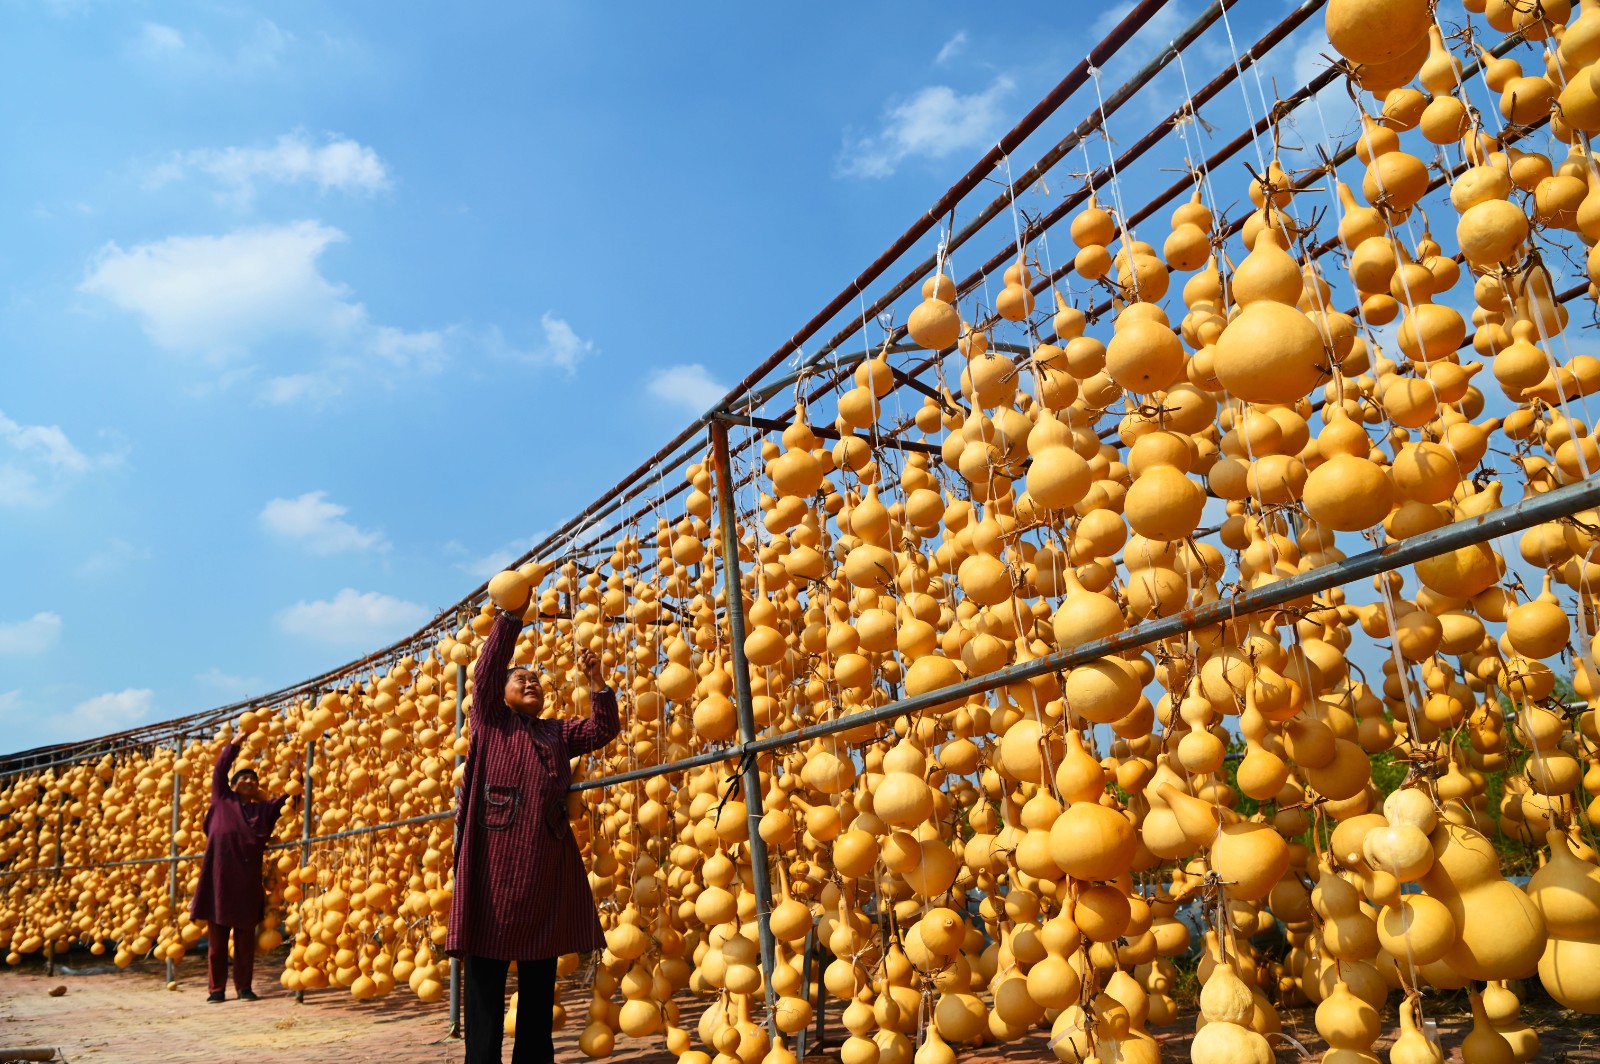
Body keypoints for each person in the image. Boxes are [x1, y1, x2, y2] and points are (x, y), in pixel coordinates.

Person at [447, 602, 619, 1064]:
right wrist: (511, 618)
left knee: (539, 987)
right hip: (492, 869)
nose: (531, 683)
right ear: (500, 693)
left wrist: (597, 682)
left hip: (543, 869)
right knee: (485, 980)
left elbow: (605, 728)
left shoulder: (557, 733)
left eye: (537, 681)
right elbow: (484, 674)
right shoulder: (490, 722)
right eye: (520, 678)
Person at [189, 738, 294, 1003]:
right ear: (233, 785)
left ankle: (244, 988)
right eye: (243, 778)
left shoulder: (263, 810)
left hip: (247, 882)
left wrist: (296, 764)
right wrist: (235, 744)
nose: (249, 781)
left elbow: (292, 796)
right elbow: (219, 770)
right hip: (218, 880)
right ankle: (216, 990)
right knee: (217, 945)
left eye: (253, 779)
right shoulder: (222, 800)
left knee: (245, 942)